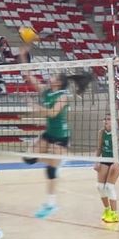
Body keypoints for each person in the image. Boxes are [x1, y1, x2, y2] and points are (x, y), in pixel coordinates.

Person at [27, 72, 72, 219]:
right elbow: (35, 83)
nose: (49, 77)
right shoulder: (47, 92)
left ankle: (51, 204)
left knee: (51, 171)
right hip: (49, 133)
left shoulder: (63, 96)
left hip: (61, 136)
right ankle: (58, 160)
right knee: (29, 159)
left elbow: (53, 113)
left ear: (58, 82)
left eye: (53, 76)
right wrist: (25, 69)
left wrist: (37, 108)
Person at [95, 115, 119, 224]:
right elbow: (99, 148)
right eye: (105, 119)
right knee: (99, 187)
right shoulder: (101, 132)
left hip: (117, 161)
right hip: (105, 159)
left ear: (114, 122)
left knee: (109, 187)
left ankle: (115, 214)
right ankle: (107, 210)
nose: (106, 121)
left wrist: (117, 162)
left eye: (109, 119)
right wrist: (96, 161)